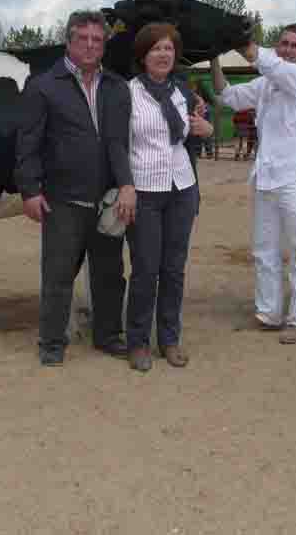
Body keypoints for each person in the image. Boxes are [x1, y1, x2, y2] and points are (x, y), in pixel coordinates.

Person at [15, 10, 135, 366]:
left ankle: (109, 336)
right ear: (68, 42)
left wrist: (126, 185)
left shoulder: (116, 87)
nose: (90, 46)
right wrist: (30, 190)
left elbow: (120, 142)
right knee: (58, 275)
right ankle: (52, 343)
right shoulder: (44, 86)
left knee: (109, 274)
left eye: (97, 40)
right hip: (62, 199)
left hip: (107, 200)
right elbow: (28, 144)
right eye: (82, 38)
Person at [211, 25, 296, 344]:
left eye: (294, 45)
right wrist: (213, 56)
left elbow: (267, 61)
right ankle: (269, 312)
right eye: (283, 43)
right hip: (265, 177)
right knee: (264, 250)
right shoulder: (264, 84)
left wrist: (240, 41)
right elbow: (227, 96)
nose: (287, 49)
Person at [124, 23, 213, 372]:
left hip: (181, 189)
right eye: (155, 49)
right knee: (146, 269)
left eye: (168, 49)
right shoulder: (127, 93)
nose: (163, 54)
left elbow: (193, 136)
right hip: (145, 190)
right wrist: (124, 185)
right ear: (143, 56)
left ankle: (170, 339)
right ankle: (138, 341)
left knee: (173, 269)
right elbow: (117, 144)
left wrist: (204, 132)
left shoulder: (184, 94)